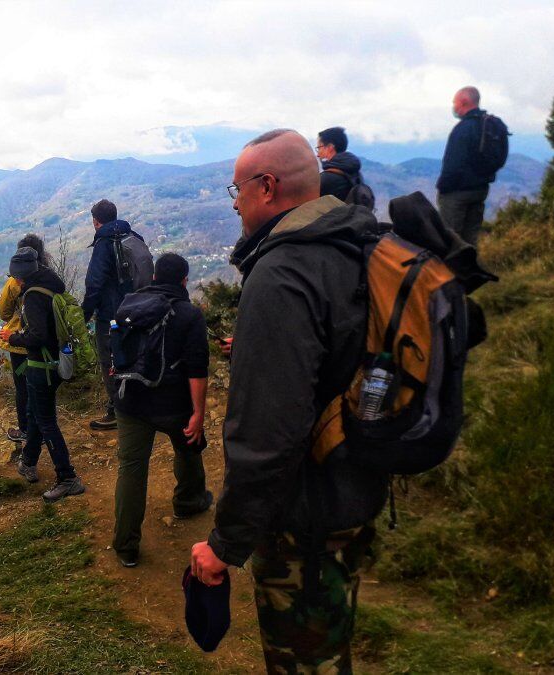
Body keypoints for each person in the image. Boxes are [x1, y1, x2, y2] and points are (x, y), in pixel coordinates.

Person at [190, 129, 387, 673]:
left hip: (305, 516)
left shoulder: (281, 274)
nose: (235, 207)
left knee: (304, 660)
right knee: (328, 643)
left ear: (267, 187)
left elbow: (267, 432)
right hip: (355, 488)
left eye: (237, 192)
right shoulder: (355, 244)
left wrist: (226, 542)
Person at [112, 253, 212, 568]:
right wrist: (198, 413)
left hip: (130, 401)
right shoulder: (189, 314)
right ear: (184, 280)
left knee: (131, 467)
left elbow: (117, 351)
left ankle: (126, 545)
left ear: (155, 277)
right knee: (189, 447)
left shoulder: (129, 305)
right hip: (173, 403)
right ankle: (188, 501)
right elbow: (197, 370)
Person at [0, 246, 86, 502]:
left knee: (46, 420)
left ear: (19, 276)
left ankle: (68, 477)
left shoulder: (34, 296)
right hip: (54, 363)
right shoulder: (51, 286)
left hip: (41, 366)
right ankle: (28, 461)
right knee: (36, 413)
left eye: (14, 275)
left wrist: (12, 336)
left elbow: (38, 335)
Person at [81, 198, 148, 431]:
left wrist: (84, 314)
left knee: (109, 360)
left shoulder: (104, 244)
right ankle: (138, 404)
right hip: (137, 310)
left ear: (96, 222)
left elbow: (94, 284)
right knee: (133, 356)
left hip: (110, 316)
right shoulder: (134, 237)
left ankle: (116, 410)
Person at [0, 234, 52, 444]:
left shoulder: (15, 282)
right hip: (45, 343)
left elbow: (3, 312)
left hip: (20, 343)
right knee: (41, 386)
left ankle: (26, 430)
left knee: (23, 389)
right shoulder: (49, 276)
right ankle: (44, 426)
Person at [437, 86, 503, 246]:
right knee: (471, 238)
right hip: (480, 190)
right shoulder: (491, 125)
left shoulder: (463, 129)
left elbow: (453, 164)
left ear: (464, 103)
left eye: (455, 103)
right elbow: (500, 157)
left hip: (456, 193)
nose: (454, 107)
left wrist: (443, 187)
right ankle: (470, 269)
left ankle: (451, 270)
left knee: (450, 238)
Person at [316, 127, 364, 202]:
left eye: (319, 148)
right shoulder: (356, 174)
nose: (318, 154)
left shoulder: (326, 179)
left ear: (330, 147)